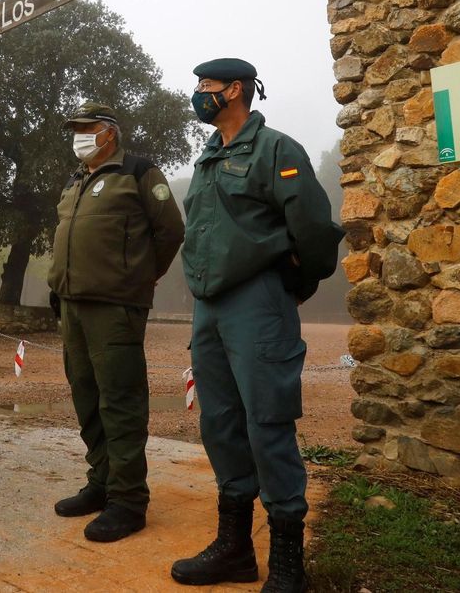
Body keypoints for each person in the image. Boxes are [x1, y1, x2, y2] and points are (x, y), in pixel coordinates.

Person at [170, 59, 342, 593]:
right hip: (210, 305)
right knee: (220, 422)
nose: (199, 94)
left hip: (258, 299)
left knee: (267, 424)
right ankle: (235, 549)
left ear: (236, 90)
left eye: (207, 87)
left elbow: (313, 227)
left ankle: (289, 562)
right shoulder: (207, 158)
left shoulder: (275, 149)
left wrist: (294, 283)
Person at [46, 100, 185, 543]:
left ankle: (128, 501)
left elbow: (171, 231)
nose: (79, 136)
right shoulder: (75, 180)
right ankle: (102, 483)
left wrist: (141, 277)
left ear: (110, 132)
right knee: (86, 396)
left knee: (120, 401)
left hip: (115, 307)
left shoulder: (139, 172)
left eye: (87, 128)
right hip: (72, 304)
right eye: (75, 129)